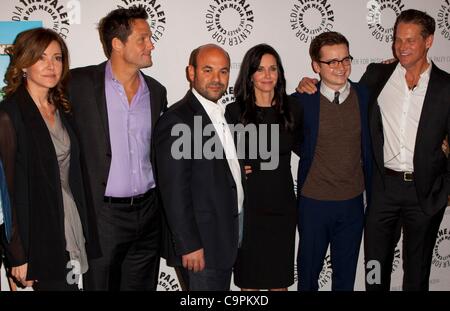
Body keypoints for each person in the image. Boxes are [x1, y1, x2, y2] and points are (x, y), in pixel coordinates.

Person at [297, 9, 450, 291]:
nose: (401, 47)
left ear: (429, 41)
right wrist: (309, 83)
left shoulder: (447, 86)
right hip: (383, 190)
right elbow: (336, 90)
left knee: (418, 272)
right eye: (397, 40)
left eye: (410, 40)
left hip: (425, 192)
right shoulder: (377, 75)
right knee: (375, 268)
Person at [67, 7, 168, 291]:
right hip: (103, 216)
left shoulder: (157, 92)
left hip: (148, 213)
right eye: (143, 38)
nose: (151, 44)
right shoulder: (77, 84)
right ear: (117, 44)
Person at [0, 28, 99, 291]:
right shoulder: (9, 115)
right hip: (39, 238)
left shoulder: (63, 108)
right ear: (23, 64)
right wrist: (17, 255)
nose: (51, 66)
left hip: (70, 227)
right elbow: (4, 195)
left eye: (57, 58)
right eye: (41, 57)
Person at [155, 44, 244, 291]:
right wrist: (189, 244)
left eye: (223, 71)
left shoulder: (219, 113)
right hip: (200, 247)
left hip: (223, 236)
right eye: (208, 70)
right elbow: (173, 191)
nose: (217, 79)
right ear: (191, 73)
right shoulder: (177, 120)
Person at [291, 32, 372, 291]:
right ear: (316, 66)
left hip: (352, 204)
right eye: (332, 62)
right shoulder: (302, 101)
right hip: (314, 203)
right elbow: (292, 142)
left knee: (345, 278)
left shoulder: (365, 96)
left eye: (345, 59)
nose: (341, 67)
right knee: (308, 276)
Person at [225, 44, 301, 291]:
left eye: (273, 69)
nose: (267, 75)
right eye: (260, 69)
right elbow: (219, 156)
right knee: (250, 282)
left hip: (283, 205)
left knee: (279, 282)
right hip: (249, 207)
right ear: (249, 74)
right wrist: (236, 167)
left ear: (279, 73)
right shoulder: (235, 111)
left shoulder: (293, 108)